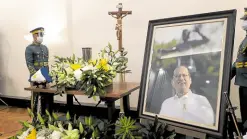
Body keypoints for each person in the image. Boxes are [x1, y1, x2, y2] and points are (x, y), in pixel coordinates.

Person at [25, 27, 51, 116]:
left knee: (47, 98)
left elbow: (46, 63)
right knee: (36, 100)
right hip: (36, 76)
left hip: (45, 76)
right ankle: (35, 118)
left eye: (42, 34)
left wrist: (48, 76)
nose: (41, 36)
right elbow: (29, 64)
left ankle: (47, 117)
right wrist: (36, 77)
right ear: (34, 35)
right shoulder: (29, 48)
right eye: (39, 34)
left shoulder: (45, 47)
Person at [231, 8, 247, 133]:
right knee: (244, 110)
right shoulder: (245, 40)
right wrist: (226, 75)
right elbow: (238, 62)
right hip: (243, 81)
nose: (244, 23)